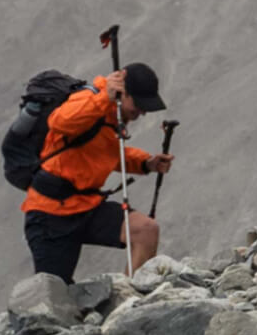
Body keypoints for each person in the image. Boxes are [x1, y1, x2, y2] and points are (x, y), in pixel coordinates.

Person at [23, 63, 173, 281]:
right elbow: (59, 122)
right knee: (54, 292)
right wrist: (105, 99)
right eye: (139, 105)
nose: (141, 112)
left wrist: (147, 163)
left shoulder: (114, 118)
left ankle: (130, 302)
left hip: (87, 207)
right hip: (50, 215)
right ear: (123, 92)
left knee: (146, 230)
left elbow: (108, 153)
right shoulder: (90, 99)